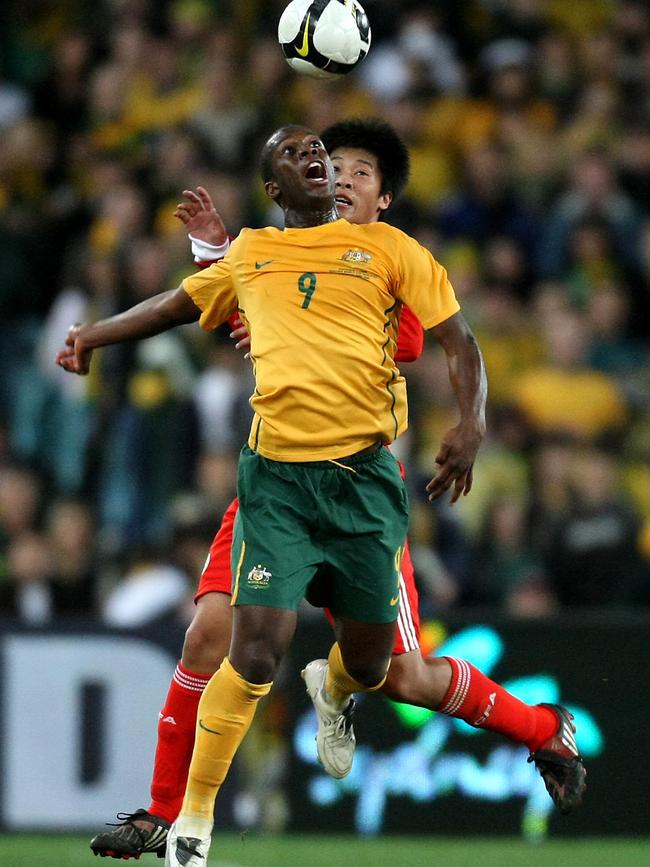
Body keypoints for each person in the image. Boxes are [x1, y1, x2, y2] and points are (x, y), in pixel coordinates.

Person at [57, 125, 584, 867]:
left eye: (356, 171)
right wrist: (208, 263)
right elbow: (221, 300)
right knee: (218, 634)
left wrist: (473, 421)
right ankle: (175, 819)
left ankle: (426, 706)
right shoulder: (263, 250)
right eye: (329, 165)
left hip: (360, 486)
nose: (338, 176)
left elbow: (397, 340)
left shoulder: (391, 263)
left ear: (386, 195)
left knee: (392, 673)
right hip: (273, 478)